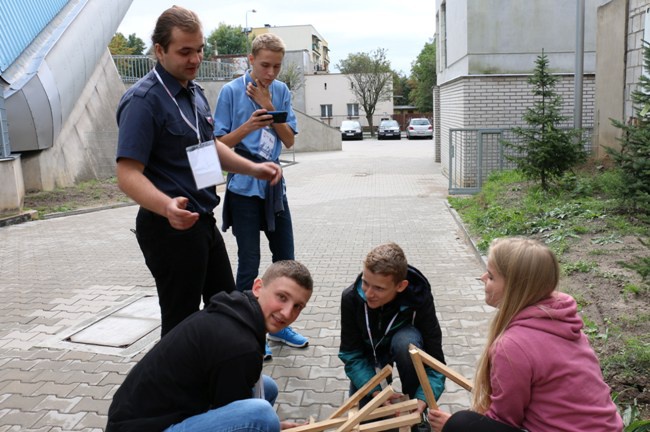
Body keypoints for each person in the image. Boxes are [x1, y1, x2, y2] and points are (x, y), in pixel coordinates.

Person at [115, 6, 282, 337]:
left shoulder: (193, 93)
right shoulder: (143, 101)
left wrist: (254, 168)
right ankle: (174, 388)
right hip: (168, 227)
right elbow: (127, 173)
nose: (195, 59)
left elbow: (209, 147)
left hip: (202, 221)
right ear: (160, 50)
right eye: (185, 51)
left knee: (229, 308)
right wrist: (166, 206)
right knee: (182, 326)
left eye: (199, 49)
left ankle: (221, 382)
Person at [427, 237, 624, 432]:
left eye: (491, 276)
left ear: (515, 288)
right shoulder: (563, 320)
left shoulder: (512, 345)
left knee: (460, 423)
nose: (483, 278)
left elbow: (505, 420)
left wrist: (450, 426)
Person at [106, 260, 313, 432]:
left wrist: (275, 427)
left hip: (144, 415)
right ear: (258, 287)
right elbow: (245, 418)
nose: (287, 313)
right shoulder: (240, 345)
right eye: (282, 297)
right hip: (142, 428)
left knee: (267, 388)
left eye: (297, 306)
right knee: (262, 416)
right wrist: (267, 426)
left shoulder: (239, 310)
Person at [213, 32, 307, 357]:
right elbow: (216, 144)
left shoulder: (280, 91)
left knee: (286, 260)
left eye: (277, 67)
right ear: (250, 60)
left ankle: (280, 326)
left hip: (273, 187)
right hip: (242, 187)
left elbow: (290, 140)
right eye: (265, 65)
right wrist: (247, 128)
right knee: (249, 262)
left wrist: (269, 106)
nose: (270, 73)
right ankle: (247, 330)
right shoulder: (229, 92)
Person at [338, 243, 446, 430]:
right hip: (369, 356)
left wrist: (423, 397)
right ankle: (378, 392)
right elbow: (351, 353)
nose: (368, 293)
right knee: (365, 420)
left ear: (401, 286)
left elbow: (436, 362)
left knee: (406, 343)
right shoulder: (351, 298)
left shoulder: (420, 300)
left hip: (402, 346)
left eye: (379, 288)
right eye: (365, 282)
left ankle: (417, 410)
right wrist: (376, 392)